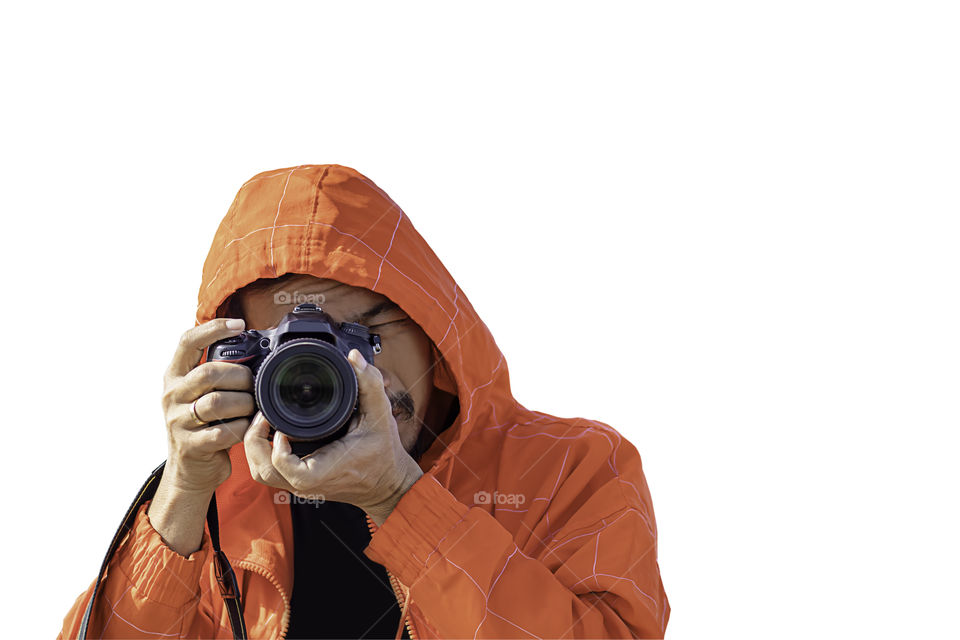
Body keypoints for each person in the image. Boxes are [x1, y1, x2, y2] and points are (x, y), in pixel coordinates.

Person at [58, 164, 670, 639]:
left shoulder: (574, 467)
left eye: (365, 334)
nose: (345, 372)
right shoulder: (216, 499)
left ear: (435, 326)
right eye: (290, 350)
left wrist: (400, 499)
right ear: (233, 355)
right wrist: (180, 496)